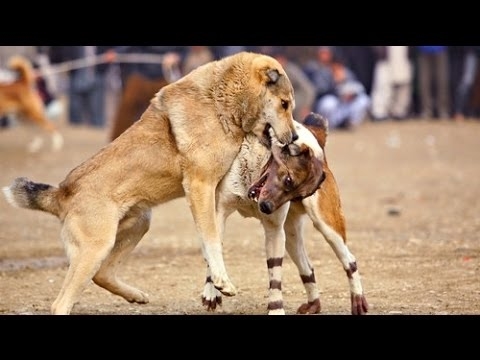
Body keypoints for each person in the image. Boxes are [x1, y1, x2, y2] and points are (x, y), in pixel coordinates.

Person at [108, 46, 187, 141]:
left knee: (170, 112)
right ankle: (116, 143)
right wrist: (117, 52)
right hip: (141, 75)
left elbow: (184, 50)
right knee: (127, 104)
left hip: (165, 77)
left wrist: (176, 56)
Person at [305, 46, 370, 130]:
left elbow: (359, 88)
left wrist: (352, 94)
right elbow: (319, 91)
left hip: (345, 104)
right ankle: (330, 125)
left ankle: (350, 122)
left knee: (364, 100)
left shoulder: (346, 72)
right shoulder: (321, 71)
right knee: (328, 103)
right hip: (332, 104)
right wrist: (335, 84)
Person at [58, 46, 115, 128]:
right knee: (75, 113)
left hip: (97, 74)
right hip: (76, 75)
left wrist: (112, 52)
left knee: (97, 115)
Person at [264, 46, 316, 121]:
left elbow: (308, 89)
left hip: (298, 97)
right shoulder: (271, 71)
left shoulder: (291, 70)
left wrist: (306, 106)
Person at [370, 46, 414, 121]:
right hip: (387, 57)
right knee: (383, 85)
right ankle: (379, 112)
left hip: (402, 55)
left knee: (404, 84)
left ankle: (399, 111)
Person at [415, 46, 450, 119]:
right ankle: (427, 110)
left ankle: (442, 110)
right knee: (424, 82)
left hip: (440, 49)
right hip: (424, 50)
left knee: (442, 81)